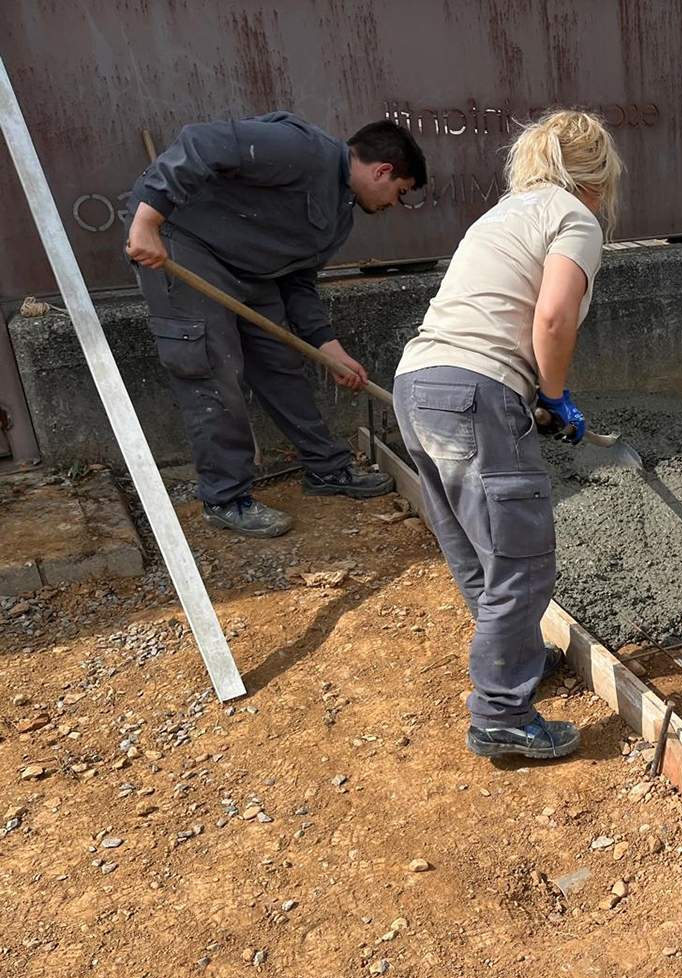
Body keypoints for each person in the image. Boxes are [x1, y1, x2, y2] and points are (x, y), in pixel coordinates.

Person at [394, 110, 623, 762]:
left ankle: (514, 656)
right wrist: (551, 393)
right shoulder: (573, 218)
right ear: (596, 178)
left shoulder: (501, 214)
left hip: (418, 385)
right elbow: (551, 317)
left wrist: (537, 397)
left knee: (477, 549)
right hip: (475, 393)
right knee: (522, 559)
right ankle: (499, 711)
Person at [127, 115, 427, 537]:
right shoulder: (301, 149)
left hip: (252, 272)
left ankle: (327, 469)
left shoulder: (340, 215)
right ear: (383, 171)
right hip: (187, 247)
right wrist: (147, 222)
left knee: (280, 363)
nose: (393, 204)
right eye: (399, 193)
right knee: (214, 368)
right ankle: (226, 498)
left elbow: (299, 281)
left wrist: (329, 347)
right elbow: (202, 143)